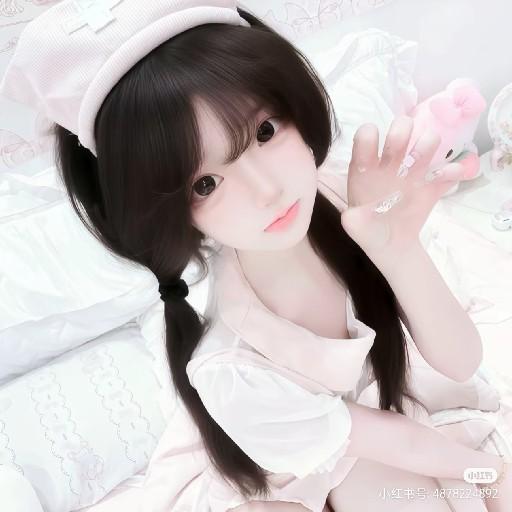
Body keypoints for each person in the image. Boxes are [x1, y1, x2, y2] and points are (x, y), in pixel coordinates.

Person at [1, 1, 511, 511]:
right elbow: (392, 443)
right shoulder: (234, 367)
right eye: (205, 183)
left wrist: (399, 250)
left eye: (265, 132)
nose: (266, 189)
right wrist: (488, 472)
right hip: (306, 453)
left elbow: (461, 363)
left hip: (372, 416)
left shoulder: (345, 197)